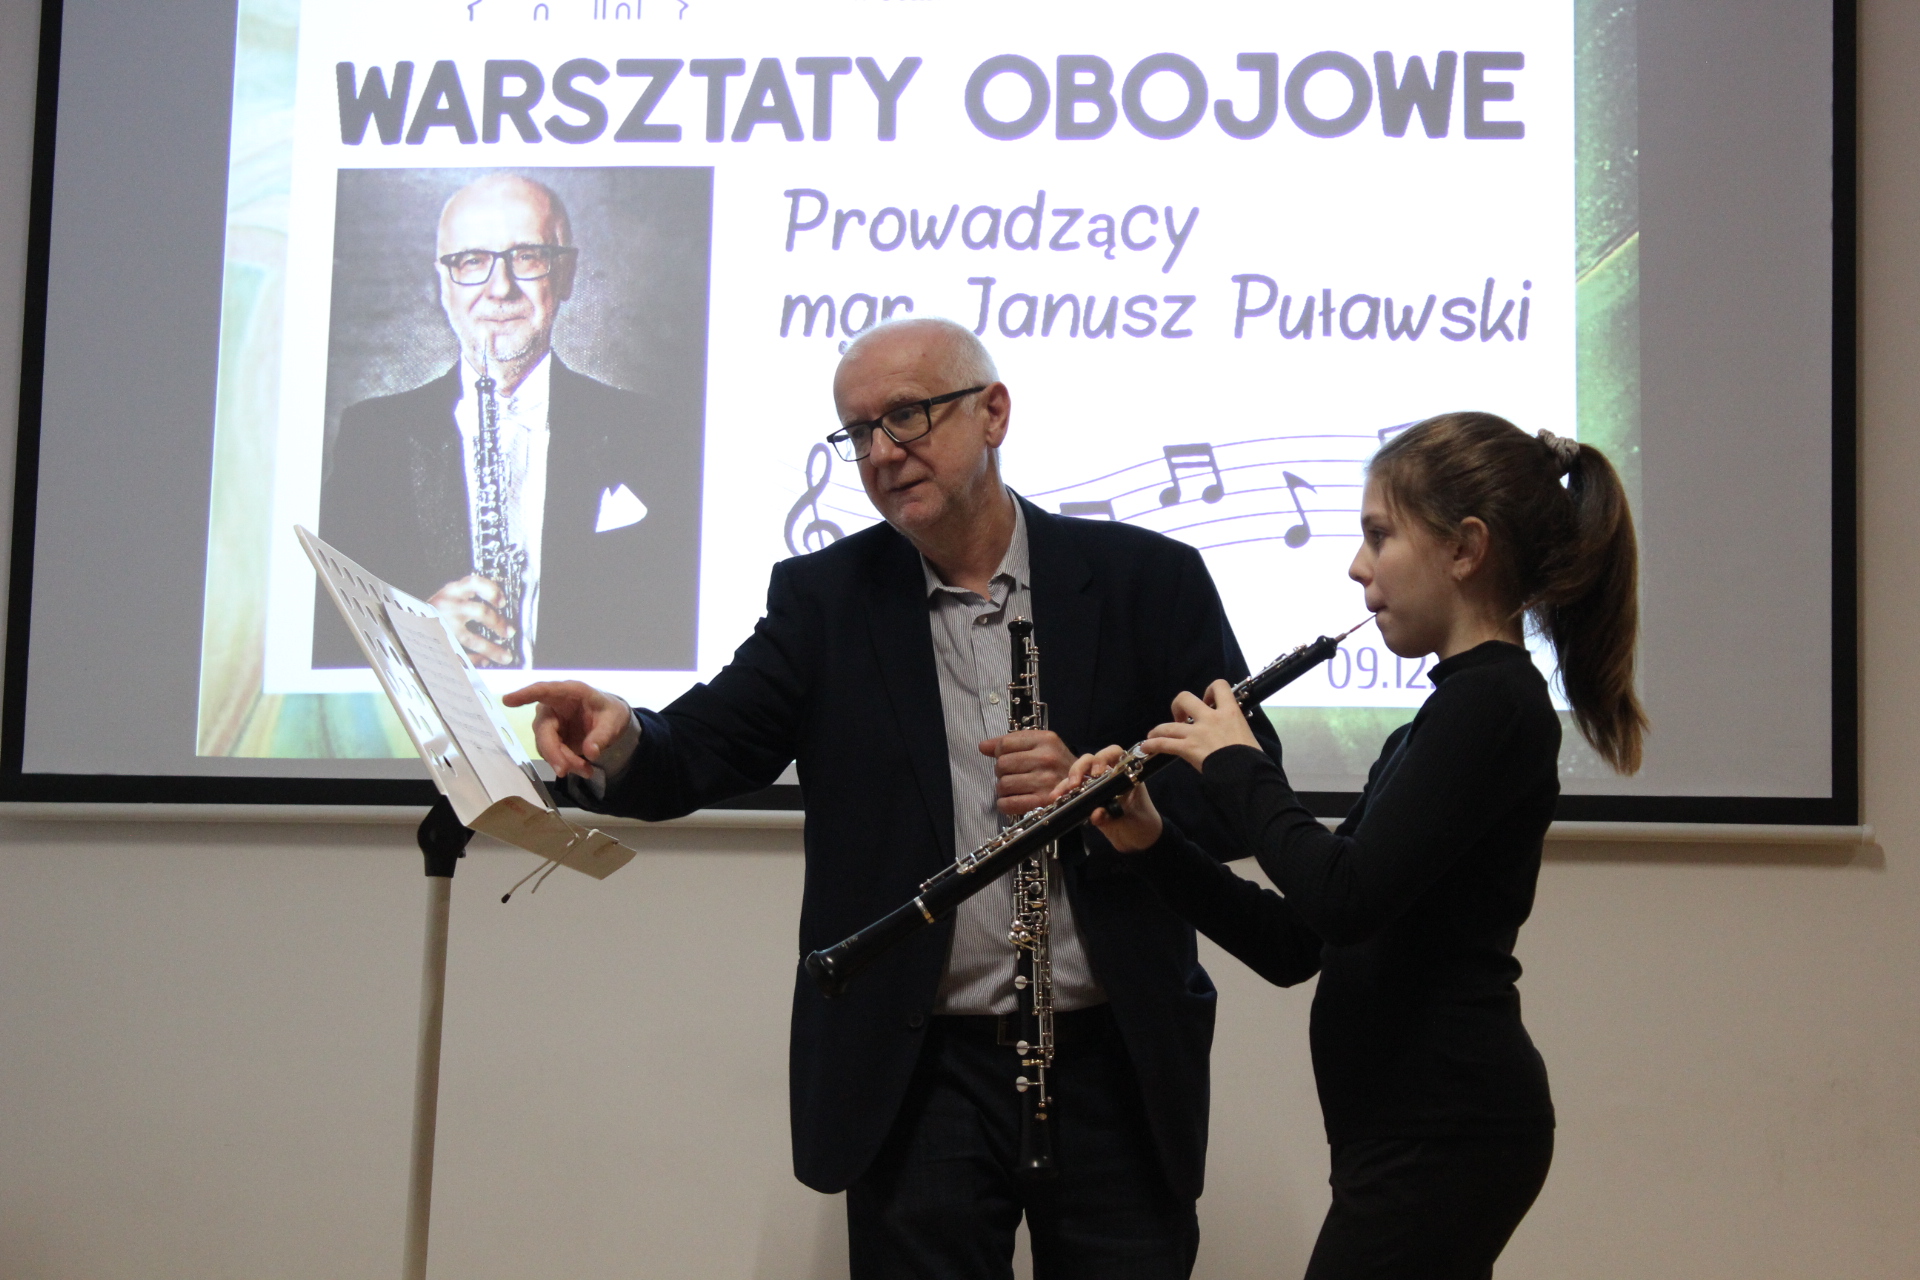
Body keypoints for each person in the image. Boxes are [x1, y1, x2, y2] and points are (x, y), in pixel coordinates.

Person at [504, 317, 1283, 1279]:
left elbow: (1243, 786)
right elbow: (702, 748)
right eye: (858, 431)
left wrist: (1105, 793)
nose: (880, 452)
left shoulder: (1147, 582)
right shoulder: (826, 600)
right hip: (919, 1074)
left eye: (907, 417)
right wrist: (622, 736)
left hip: (1115, 1055)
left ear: (993, 413)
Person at [1062, 412, 1646, 1279]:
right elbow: (1297, 941)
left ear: (1465, 548)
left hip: (1448, 1126)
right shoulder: (1440, 719)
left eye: (1380, 535)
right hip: (1403, 1130)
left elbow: (1343, 896)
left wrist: (1237, 765)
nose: (1357, 566)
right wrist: (1150, 840)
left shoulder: (1494, 705)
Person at [317, 172, 700, 671]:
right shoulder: (373, 437)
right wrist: (411, 633)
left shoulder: (653, 432)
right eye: (472, 261)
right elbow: (320, 627)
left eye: (527, 257)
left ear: (565, 274)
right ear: (444, 284)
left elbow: (679, 625)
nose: (500, 288)